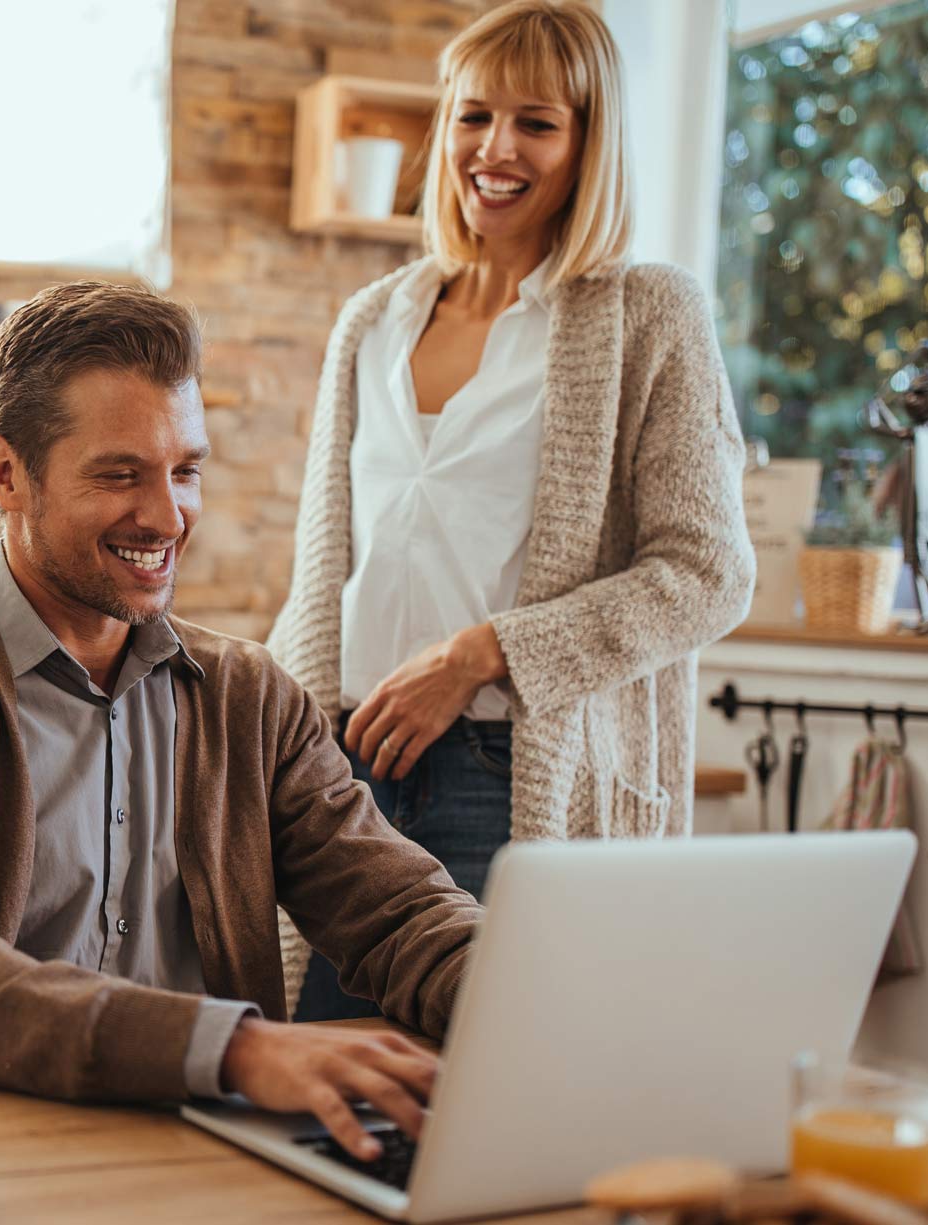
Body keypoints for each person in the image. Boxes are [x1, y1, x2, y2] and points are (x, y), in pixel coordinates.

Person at [0, 280, 480, 1160]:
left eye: (185, 470)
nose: (166, 516)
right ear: (5, 472)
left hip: (190, 1156)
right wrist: (234, 1047)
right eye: (120, 474)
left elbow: (399, 913)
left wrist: (538, 995)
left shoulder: (248, 695)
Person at [267, 0, 756, 1021]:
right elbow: (326, 574)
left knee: (473, 1090)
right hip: (340, 766)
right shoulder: (373, 318)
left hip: (500, 768)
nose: (495, 149)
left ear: (587, 143)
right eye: (472, 116)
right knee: (317, 1074)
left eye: (535, 121)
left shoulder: (646, 314)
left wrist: (478, 656)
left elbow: (705, 573)